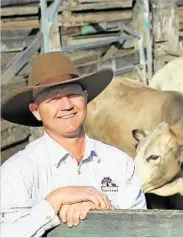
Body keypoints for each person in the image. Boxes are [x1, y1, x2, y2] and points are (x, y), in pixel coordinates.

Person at [0, 51, 147, 237]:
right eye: (53, 98)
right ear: (36, 110)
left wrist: (100, 212)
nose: (66, 105)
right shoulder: (17, 170)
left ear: (85, 98)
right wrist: (55, 201)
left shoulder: (120, 163)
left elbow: (142, 230)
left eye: (72, 94)